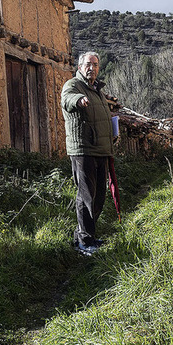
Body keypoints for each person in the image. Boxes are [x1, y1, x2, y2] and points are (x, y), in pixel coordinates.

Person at [61, 51, 115, 256]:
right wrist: (79, 100)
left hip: (101, 149)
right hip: (83, 149)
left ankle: (85, 235)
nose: (92, 68)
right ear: (80, 66)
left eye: (95, 64)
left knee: (99, 196)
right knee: (86, 196)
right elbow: (67, 99)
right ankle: (84, 241)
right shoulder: (74, 85)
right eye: (88, 64)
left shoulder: (98, 90)